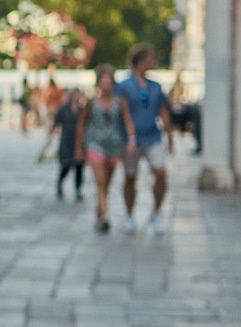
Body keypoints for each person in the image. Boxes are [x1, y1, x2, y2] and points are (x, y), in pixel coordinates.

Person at [115, 43, 176, 233]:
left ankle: (156, 212)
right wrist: (130, 138)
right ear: (141, 61)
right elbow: (123, 114)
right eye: (151, 58)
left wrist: (170, 137)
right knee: (130, 177)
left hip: (153, 137)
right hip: (131, 140)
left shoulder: (155, 87)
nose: (155, 61)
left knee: (160, 174)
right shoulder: (124, 86)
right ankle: (129, 214)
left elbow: (163, 112)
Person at [83, 64, 131, 235]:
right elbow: (82, 124)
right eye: (103, 82)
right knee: (101, 181)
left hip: (114, 145)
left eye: (109, 82)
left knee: (106, 185)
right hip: (95, 143)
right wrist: (79, 148)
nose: (106, 86)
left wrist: (131, 141)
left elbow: (127, 121)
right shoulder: (90, 103)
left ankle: (100, 211)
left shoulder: (120, 103)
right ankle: (104, 217)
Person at [51, 84, 88, 201]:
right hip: (67, 141)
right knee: (66, 167)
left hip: (80, 142)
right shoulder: (63, 109)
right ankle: (60, 184)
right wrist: (51, 133)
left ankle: (78, 190)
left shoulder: (83, 110)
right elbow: (56, 122)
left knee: (79, 168)